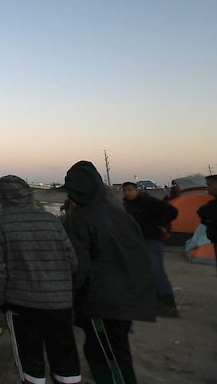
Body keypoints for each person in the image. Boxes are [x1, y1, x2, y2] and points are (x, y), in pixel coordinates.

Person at [63, 161, 155, 384]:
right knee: (110, 352)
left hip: (102, 303)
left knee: (109, 360)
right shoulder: (119, 214)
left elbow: (78, 268)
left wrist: (67, 299)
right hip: (129, 296)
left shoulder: (80, 221)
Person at [0, 175, 82, 384]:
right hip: (60, 304)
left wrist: (1, 301)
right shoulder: (50, 220)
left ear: (3, 198)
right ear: (28, 195)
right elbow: (72, 261)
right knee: (66, 361)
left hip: (23, 305)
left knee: (31, 363)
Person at [121, 181, 179, 316]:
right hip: (138, 242)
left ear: (136, 190)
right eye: (124, 190)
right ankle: (157, 302)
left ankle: (169, 305)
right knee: (147, 273)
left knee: (157, 272)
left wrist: (159, 224)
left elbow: (172, 211)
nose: (127, 193)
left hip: (152, 241)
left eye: (130, 190)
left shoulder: (147, 201)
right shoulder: (127, 205)